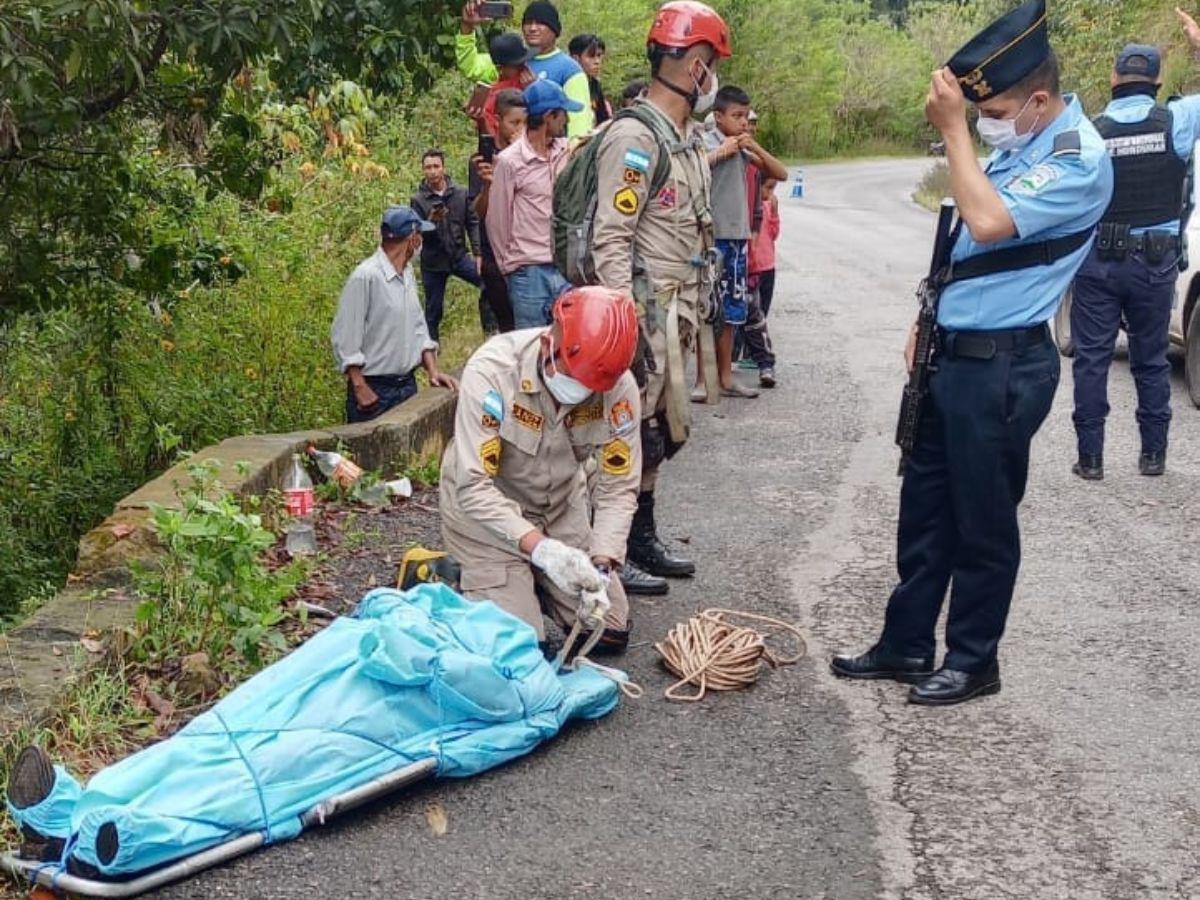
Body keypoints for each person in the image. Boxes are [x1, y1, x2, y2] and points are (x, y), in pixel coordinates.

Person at [831, 0, 1113, 706]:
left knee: (982, 520)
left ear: (1039, 100)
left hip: (1005, 366)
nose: (988, 123)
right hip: (953, 354)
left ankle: (973, 660)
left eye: (997, 111)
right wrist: (928, 316)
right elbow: (964, 246)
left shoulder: (1078, 159)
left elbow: (986, 222)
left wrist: (955, 129)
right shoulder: (1023, 146)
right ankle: (905, 643)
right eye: (980, 113)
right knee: (925, 507)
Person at [589, 0, 732, 595]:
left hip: (676, 310)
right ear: (696, 67)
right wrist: (622, 326)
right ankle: (607, 550)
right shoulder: (635, 138)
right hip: (643, 311)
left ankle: (639, 536)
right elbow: (610, 238)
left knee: (658, 431)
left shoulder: (684, 138)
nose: (713, 79)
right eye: (711, 67)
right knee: (623, 431)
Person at [439, 286, 642, 652]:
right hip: (488, 517)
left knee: (608, 630)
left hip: (559, 507)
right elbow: (474, 487)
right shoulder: (493, 372)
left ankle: (531, 581)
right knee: (523, 646)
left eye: (589, 387)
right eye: (574, 379)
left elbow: (618, 485)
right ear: (549, 344)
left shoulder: (616, 385)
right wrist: (544, 552)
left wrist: (601, 563)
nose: (580, 392)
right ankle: (459, 577)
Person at [1070, 23, 1200, 480]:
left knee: (1091, 360)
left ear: (1113, 79)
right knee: (1150, 359)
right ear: (1158, 81)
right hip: (1155, 262)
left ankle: (1091, 460)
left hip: (1098, 262)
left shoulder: (1089, 130)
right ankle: (1153, 457)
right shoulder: (1179, 119)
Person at [696, 86, 788, 400]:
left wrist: (754, 146)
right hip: (709, 237)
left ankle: (726, 377)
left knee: (732, 311)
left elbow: (780, 173)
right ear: (718, 116)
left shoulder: (744, 147)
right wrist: (721, 152)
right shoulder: (705, 143)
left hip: (738, 237)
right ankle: (702, 379)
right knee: (706, 308)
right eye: (737, 116)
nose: (743, 122)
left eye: (746, 117)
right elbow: (692, 170)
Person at [332, 207, 460, 423]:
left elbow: (418, 327)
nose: (421, 242)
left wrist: (433, 371)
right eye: (420, 235)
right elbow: (346, 335)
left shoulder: (407, 274)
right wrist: (359, 386)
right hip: (374, 389)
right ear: (412, 239)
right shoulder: (366, 277)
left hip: (406, 386)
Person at [487, 79, 580, 328]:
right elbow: (497, 220)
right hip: (528, 273)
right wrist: (509, 267)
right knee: (532, 343)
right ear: (549, 117)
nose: (567, 120)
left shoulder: (567, 152)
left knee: (571, 339)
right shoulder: (510, 161)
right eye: (563, 114)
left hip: (564, 267)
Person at [456, 0, 593, 138]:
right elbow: (469, 65)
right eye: (528, 23)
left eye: (540, 23)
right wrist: (467, 26)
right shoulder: (510, 59)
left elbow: (579, 123)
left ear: (554, 29)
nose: (532, 28)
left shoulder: (569, 69)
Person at [470, 89, 527, 334]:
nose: (520, 129)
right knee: (509, 328)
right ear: (498, 121)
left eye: (525, 123)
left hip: (525, 253)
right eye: (514, 123)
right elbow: (479, 211)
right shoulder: (484, 159)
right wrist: (488, 185)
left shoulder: (530, 155)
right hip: (494, 257)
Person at [409, 149, 482, 342]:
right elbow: (417, 235)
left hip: (459, 256)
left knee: (488, 283)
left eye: (436, 166)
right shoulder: (418, 200)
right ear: (423, 170)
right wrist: (430, 221)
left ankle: (491, 330)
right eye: (428, 167)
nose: (432, 171)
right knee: (433, 310)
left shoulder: (460, 193)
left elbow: (472, 222)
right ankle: (431, 348)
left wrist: (478, 253)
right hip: (433, 262)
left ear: (443, 168)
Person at [744, 175, 781, 387]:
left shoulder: (768, 206)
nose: (770, 194)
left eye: (773, 189)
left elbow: (774, 234)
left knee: (761, 314)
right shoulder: (748, 206)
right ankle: (752, 355)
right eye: (767, 188)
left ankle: (759, 358)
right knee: (750, 312)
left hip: (768, 266)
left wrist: (774, 213)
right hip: (751, 267)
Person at [465, 30, 534, 139]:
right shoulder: (494, 96)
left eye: (524, 63)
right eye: (516, 65)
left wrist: (532, 91)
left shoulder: (531, 83)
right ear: (500, 68)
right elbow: (492, 136)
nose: (523, 68)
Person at [569, 33, 612, 126]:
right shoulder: (566, 84)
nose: (597, 61)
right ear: (575, 59)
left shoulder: (595, 85)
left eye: (599, 56)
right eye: (591, 56)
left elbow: (603, 119)